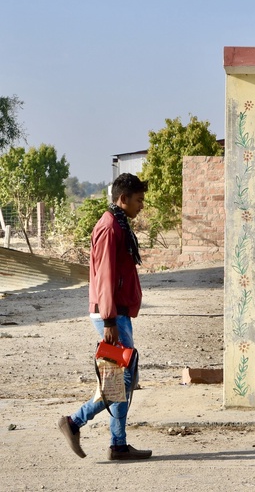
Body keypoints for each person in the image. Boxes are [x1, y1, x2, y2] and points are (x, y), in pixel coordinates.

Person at [58, 173, 152, 461]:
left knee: (122, 378)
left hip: (117, 313)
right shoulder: (110, 227)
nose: (141, 206)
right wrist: (109, 319)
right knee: (121, 381)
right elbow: (105, 276)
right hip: (110, 315)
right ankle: (74, 422)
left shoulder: (118, 223)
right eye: (138, 200)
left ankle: (118, 445)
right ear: (123, 199)